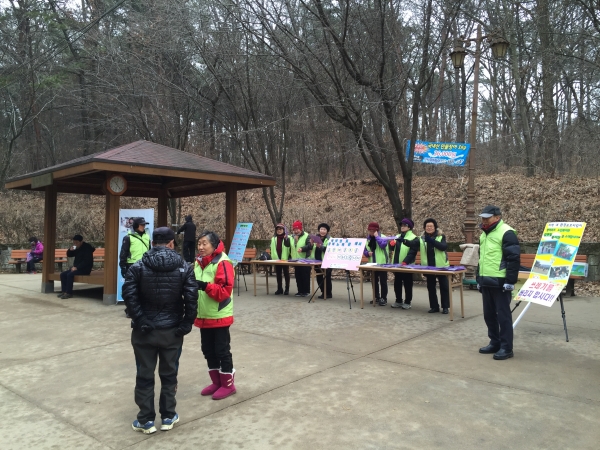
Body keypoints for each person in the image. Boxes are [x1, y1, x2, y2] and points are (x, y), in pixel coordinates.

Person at [123, 227, 198, 434]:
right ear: (172, 243)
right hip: (172, 331)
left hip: (144, 332)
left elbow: (130, 296)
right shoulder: (184, 267)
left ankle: (146, 420)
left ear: (152, 242)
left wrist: (140, 319)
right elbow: (191, 297)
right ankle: (167, 416)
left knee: (144, 373)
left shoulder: (137, 267)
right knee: (169, 373)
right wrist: (186, 323)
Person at [194, 231, 237, 400]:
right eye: (199, 243)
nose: (201, 247)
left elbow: (224, 291)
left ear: (214, 244)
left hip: (219, 315)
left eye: (205, 243)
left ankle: (228, 385)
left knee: (222, 350)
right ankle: (216, 381)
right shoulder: (198, 262)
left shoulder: (223, 262)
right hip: (203, 314)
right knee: (208, 350)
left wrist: (204, 286)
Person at [476, 205, 520, 361]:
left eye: (487, 217)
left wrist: (510, 281)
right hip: (486, 280)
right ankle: (494, 342)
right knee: (489, 315)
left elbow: (513, 259)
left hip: (501, 282)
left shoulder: (507, 232)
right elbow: (481, 259)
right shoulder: (484, 234)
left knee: (503, 316)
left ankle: (507, 347)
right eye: (483, 217)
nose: (484, 220)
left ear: (497, 217)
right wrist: (478, 279)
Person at [410, 218, 450, 314]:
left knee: (444, 286)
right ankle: (434, 306)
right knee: (431, 286)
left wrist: (431, 241)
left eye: (431, 226)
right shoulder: (422, 238)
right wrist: (405, 241)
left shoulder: (441, 236)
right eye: (427, 226)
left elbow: (443, 247)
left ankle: (445, 307)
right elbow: (413, 244)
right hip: (428, 266)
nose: (429, 228)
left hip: (441, 266)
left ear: (435, 227)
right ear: (424, 228)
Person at [389, 219, 418, 309]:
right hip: (397, 264)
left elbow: (413, 251)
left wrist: (406, 261)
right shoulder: (397, 236)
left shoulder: (413, 238)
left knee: (407, 283)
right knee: (397, 282)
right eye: (401, 225)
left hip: (407, 265)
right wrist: (391, 244)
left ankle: (407, 301)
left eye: (404, 225)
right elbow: (392, 249)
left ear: (409, 227)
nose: (402, 226)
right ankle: (398, 300)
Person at [57, 235, 95, 299]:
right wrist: (70, 250)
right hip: (76, 267)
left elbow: (86, 261)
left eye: (77, 242)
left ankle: (69, 293)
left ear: (81, 241)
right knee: (63, 274)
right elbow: (69, 255)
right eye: (74, 242)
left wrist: (77, 267)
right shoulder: (76, 248)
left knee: (70, 275)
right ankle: (64, 291)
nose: (75, 244)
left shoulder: (87, 248)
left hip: (85, 269)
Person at [363, 222, 390, 306]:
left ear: (377, 230)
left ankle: (383, 298)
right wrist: (367, 253)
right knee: (374, 281)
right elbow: (364, 250)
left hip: (382, 263)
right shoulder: (368, 239)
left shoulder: (383, 237)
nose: (371, 232)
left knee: (383, 281)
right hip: (372, 263)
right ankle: (376, 297)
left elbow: (382, 245)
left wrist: (377, 237)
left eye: (373, 230)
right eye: (370, 230)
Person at [270, 223, 292, 295]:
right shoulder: (274, 239)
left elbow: (290, 247)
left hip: (285, 258)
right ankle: (279, 288)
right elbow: (272, 248)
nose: (279, 231)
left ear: (284, 230)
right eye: (277, 229)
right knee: (278, 274)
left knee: (286, 273)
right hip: (277, 259)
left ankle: (287, 289)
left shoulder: (287, 238)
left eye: (280, 229)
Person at [292, 220, 312, 297]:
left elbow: (310, 246)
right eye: (294, 229)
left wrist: (302, 249)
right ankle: (300, 291)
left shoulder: (307, 236)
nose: (296, 231)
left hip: (305, 259)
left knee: (305, 275)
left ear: (301, 229)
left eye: (297, 229)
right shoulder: (292, 236)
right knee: (298, 275)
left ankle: (306, 291)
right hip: (296, 259)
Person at [314, 223, 332, 299]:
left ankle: (328, 293)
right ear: (319, 230)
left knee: (327, 278)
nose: (322, 231)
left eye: (324, 229)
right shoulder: (315, 238)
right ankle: (323, 292)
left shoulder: (330, 239)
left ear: (327, 231)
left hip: (327, 261)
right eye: (321, 229)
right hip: (317, 261)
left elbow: (329, 250)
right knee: (319, 277)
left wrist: (321, 247)